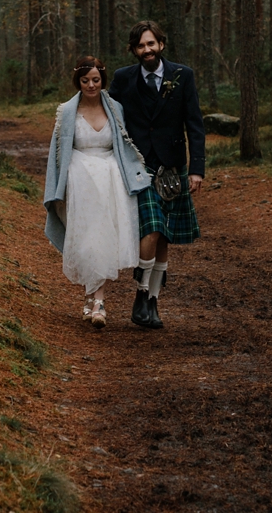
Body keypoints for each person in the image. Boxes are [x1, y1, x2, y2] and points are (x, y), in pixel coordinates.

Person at [108, 21, 205, 329]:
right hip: (138, 165)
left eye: (151, 44)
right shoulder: (123, 78)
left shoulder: (182, 75)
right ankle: (139, 294)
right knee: (150, 229)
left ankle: (152, 300)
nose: (146, 50)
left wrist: (197, 169)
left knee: (164, 235)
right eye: (140, 46)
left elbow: (195, 123)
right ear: (133, 50)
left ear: (161, 44)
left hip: (172, 165)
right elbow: (111, 119)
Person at [44, 57, 151, 328]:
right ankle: (92, 296)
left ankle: (98, 300)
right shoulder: (67, 112)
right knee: (87, 238)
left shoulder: (114, 108)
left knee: (103, 235)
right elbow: (57, 153)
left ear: (103, 80)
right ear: (77, 82)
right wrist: (59, 187)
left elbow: (123, 144)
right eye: (85, 80)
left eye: (95, 80)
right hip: (79, 179)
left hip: (110, 179)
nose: (91, 85)